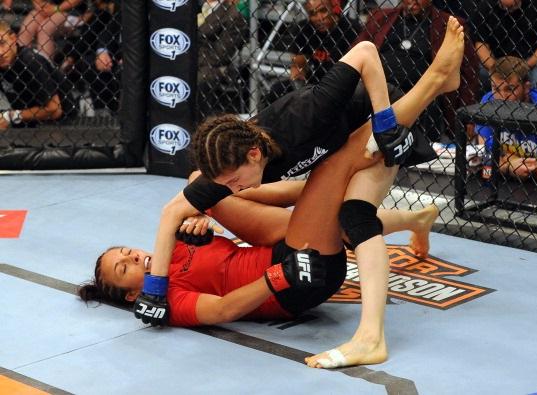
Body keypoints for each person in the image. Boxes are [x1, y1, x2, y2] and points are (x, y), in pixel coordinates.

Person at [139, 17, 465, 369]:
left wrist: (385, 124)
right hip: (353, 150)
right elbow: (172, 211)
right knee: (346, 209)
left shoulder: (302, 117)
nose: (232, 190)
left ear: (253, 155)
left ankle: (434, 80)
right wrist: (155, 287)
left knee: (353, 212)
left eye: (235, 181)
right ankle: (416, 215)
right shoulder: (240, 161)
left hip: (380, 115)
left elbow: (367, 53)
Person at [79, 176, 439, 331]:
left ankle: (416, 219)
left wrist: (202, 220)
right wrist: (279, 276)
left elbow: (217, 226)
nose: (132, 258)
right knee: (331, 215)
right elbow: (223, 310)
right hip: (295, 282)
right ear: (131, 293)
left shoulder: (172, 244)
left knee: (201, 187)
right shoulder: (168, 299)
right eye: (124, 268)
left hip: (276, 246)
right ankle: (321, 189)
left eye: (126, 251)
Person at [353, 0, 478, 141]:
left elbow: (469, 73)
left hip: (424, 96)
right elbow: (357, 50)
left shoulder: (449, 24)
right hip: (380, 91)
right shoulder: (381, 17)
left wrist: (468, 114)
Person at [470, 0, 537, 95]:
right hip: (497, 61)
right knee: (473, 76)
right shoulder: (485, 5)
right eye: (505, 7)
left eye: (513, 5)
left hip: (531, 61)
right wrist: (495, 68)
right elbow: (481, 45)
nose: (508, 10)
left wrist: (526, 66)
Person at [0, 20, 75, 129]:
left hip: (60, 124)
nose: (0, 52)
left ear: (13, 38)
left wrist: (11, 116)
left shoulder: (30, 62)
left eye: (2, 43)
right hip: (27, 121)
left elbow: (55, 110)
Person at [195, 0, 248, 120]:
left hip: (215, 67)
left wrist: (193, 60)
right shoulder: (194, 8)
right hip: (190, 60)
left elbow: (220, 55)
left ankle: (194, 125)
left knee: (197, 79)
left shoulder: (234, 16)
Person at [17, 0, 87, 62]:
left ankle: (44, 68)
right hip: (48, 7)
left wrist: (55, 9)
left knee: (45, 29)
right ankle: (21, 64)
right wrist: (40, 7)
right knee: (27, 28)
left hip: (72, 12)